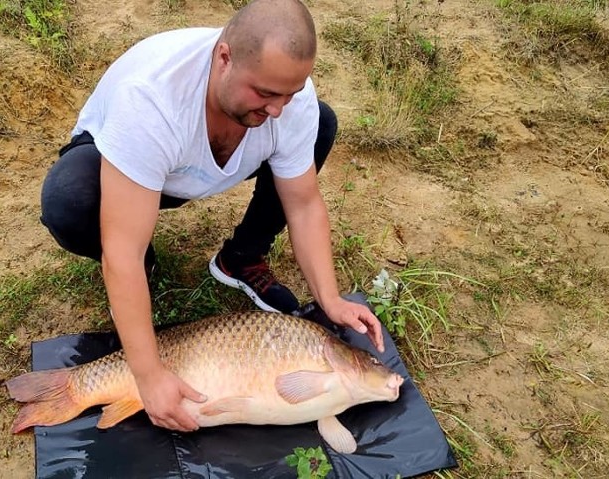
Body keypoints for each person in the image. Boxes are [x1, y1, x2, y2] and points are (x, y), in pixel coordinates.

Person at [39, 0, 384, 433]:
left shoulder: (287, 103)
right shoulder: (151, 98)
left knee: (320, 123)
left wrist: (330, 299)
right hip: (129, 167)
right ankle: (141, 279)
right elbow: (121, 252)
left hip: (199, 164)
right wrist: (149, 377)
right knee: (70, 201)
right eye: (265, 93)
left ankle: (241, 258)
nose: (277, 109)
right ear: (224, 58)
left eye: (289, 94)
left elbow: (303, 203)